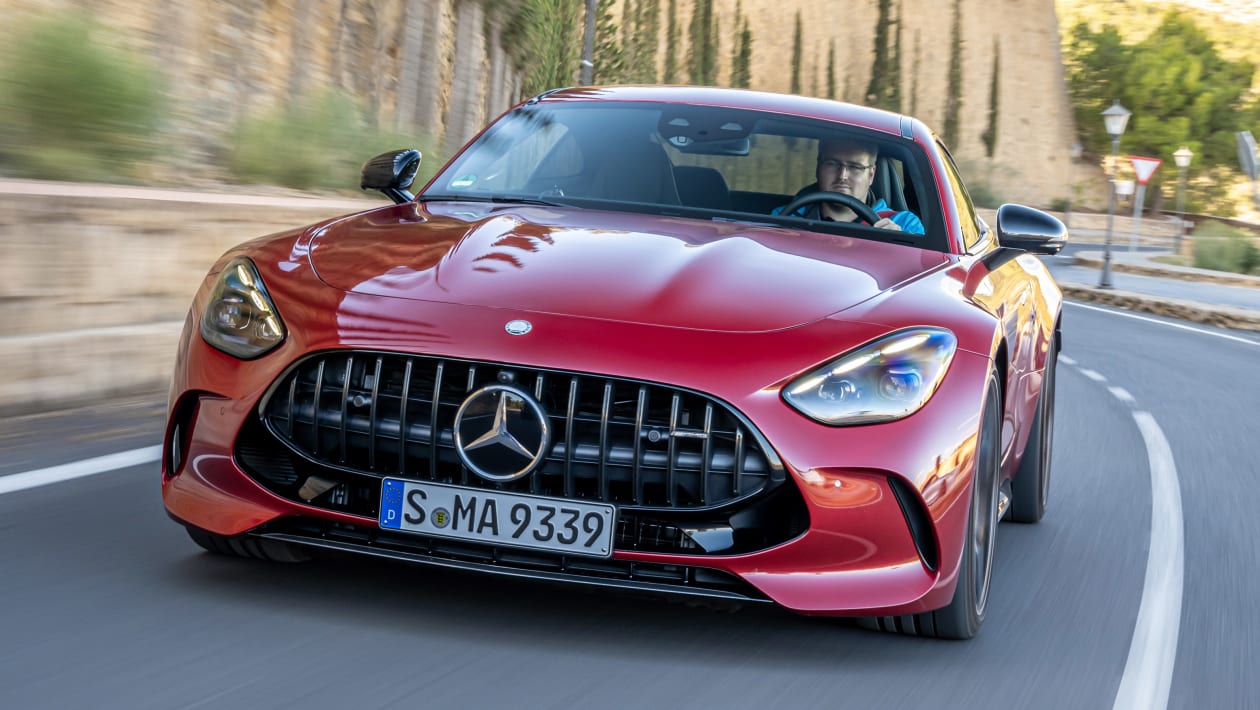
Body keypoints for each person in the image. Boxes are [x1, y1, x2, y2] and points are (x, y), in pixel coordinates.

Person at [774, 138, 925, 235]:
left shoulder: (904, 224)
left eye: (855, 167)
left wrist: (900, 245)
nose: (842, 175)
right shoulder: (786, 216)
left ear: (871, 175)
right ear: (818, 168)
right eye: (832, 164)